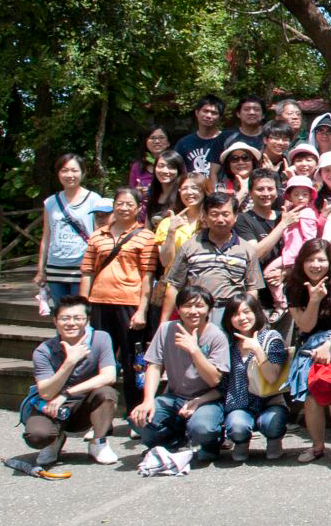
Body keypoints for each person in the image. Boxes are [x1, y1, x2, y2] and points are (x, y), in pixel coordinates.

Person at [131, 284, 229, 466]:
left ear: (209, 309)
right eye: (187, 305)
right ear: (178, 308)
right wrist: (148, 400)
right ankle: (171, 442)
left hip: (207, 399)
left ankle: (209, 444)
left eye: (199, 306)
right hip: (175, 396)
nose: (193, 311)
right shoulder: (166, 330)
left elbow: (215, 379)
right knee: (139, 418)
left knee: (202, 428)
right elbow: (154, 365)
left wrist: (195, 351)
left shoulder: (217, 336)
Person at [25, 296, 120, 467]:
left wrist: (67, 393)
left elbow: (109, 376)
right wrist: (69, 362)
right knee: (37, 436)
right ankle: (54, 440)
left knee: (107, 394)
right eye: (64, 318)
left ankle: (98, 442)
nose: (71, 323)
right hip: (51, 407)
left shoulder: (101, 338)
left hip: (84, 404)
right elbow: (45, 392)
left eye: (78, 318)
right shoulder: (43, 350)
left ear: (87, 320)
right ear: (55, 321)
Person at [286, 238, 331, 465]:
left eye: (321, 259)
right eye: (310, 260)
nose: (316, 264)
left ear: (330, 262)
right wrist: (314, 300)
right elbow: (304, 326)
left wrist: (330, 344)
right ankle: (317, 446)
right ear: (301, 262)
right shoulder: (294, 286)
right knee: (312, 398)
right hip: (309, 345)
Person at [79, 186, 158, 387]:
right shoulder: (97, 236)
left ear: (139, 207)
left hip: (129, 302)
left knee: (131, 358)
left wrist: (142, 310)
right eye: (119, 203)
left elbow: (147, 275)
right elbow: (87, 272)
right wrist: (82, 307)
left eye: (129, 204)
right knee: (97, 356)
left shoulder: (146, 236)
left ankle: (134, 408)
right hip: (98, 302)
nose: (123, 208)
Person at [159, 190, 263, 325]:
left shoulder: (247, 250)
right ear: (205, 217)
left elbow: (252, 289)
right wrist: (164, 323)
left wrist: (246, 320)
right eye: (214, 214)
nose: (220, 219)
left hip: (232, 315)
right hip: (197, 314)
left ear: (235, 216)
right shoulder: (190, 247)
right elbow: (174, 286)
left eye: (226, 214)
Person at [36, 154, 112, 309]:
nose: (69, 175)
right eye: (64, 171)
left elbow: (100, 233)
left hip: (82, 267)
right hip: (55, 267)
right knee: (60, 312)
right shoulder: (50, 202)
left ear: (82, 173)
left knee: (81, 311)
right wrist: (40, 269)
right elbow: (46, 237)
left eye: (74, 170)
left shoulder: (93, 199)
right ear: (58, 173)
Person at [220, 295, 289, 461]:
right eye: (235, 314)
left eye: (246, 311)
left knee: (272, 423)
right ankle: (241, 442)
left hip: (270, 403)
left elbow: (272, 377)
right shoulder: (228, 343)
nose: (242, 318)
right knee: (237, 425)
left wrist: (258, 350)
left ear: (256, 312)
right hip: (240, 405)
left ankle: (274, 440)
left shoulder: (271, 337)